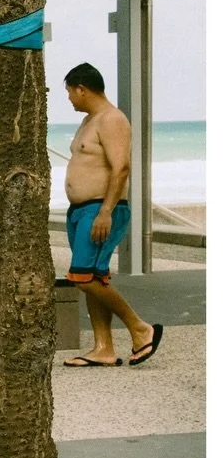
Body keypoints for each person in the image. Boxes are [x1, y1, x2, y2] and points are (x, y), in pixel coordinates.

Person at [60, 62, 164, 368]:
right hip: (81, 210)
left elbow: (121, 167)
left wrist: (105, 211)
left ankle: (141, 329)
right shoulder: (90, 120)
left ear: (82, 88)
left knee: (81, 276)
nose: (69, 99)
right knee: (94, 276)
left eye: (69, 92)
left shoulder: (111, 119)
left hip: (101, 208)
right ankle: (103, 348)